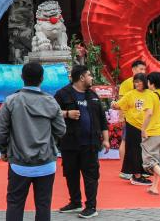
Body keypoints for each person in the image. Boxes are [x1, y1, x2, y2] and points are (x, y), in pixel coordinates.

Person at [0, 62, 66, 221]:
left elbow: (0, 130)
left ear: (22, 77)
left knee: (15, 204)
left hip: (19, 164)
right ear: (42, 79)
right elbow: (61, 130)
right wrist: (49, 141)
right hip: (46, 163)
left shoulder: (11, 101)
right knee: (43, 205)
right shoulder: (50, 101)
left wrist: (4, 150)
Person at [54, 65, 110, 219]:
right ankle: (75, 202)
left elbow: (102, 119)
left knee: (91, 175)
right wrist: (67, 113)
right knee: (71, 174)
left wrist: (106, 139)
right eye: (89, 75)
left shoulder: (92, 95)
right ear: (81, 78)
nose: (92, 78)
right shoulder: (62, 94)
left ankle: (91, 207)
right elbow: (52, 112)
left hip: (91, 144)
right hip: (70, 143)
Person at [112, 73, 150, 186]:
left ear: (145, 82)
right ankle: (136, 176)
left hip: (145, 127)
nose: (137, 83)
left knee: (143, 151)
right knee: (134, 151)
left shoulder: (150, 94)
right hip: (132, 125)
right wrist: (114, 104)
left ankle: (141, 173)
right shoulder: (130, 94)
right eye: (135, 81)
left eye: (139, 81)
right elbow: (118, 105)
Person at [117, 60, 146, 180]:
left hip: (143, 120)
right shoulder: (126, 83)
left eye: (144, 69)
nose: (143, 71)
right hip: (130, 119)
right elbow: (121, 102)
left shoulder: (145, 83)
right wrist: (121, 116)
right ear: (133, 70)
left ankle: (139, 168)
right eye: (140, 69)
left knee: (141, 145)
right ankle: (125, 170)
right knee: (125, 141)